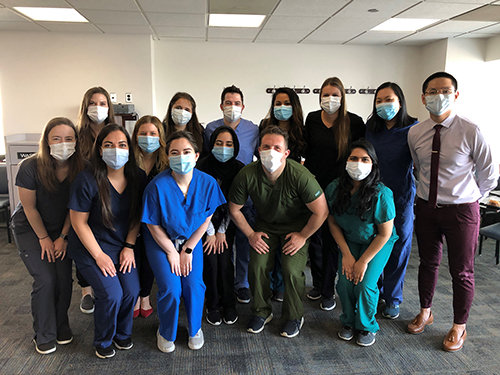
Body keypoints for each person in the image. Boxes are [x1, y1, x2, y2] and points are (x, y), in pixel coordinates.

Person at [407, 72, 497, 352]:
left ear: (455, 95)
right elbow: (418, 168)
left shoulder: (471, 130)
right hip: (426, 208)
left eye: (445, 90)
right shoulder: (415, 132)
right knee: (427, 263)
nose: (438, 96)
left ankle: (460, 326)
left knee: (461, 271)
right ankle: (425, 311)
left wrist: (469, 197)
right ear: (423, 98)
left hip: (462, 211)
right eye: (432, 91)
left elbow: (490, 175)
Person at [229, 126, 328, 338]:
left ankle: (293, 316)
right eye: (266, 146)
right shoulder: (247, 174)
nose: (271, 151)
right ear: (258, 150)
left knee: (291, 269)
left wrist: (302, 236)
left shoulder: (300, 175)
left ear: (286, 153)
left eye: (277, 147)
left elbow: (321, 211)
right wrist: (250, 234)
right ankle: (261, 311)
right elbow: (234, 209)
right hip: (265, 227)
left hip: (297, 228)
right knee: (257, 265)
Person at [142, 131, 225, 353]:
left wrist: (188, 248)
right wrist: (171, 251)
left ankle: (194, 328)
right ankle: (166, 331)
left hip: (191, 240)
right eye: (175, 152)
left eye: (187, 152)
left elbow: (206, 217)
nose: (181, 156)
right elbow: (152, 224)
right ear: (167, 157)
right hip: (161, 241)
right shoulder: (157, 187)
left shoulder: (207, 183)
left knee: (194, 285)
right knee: (171, 288)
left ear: (196, 155)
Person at [68, 124, 144, 359]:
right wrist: (99, 256)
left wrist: (129, 246)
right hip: (90, 247)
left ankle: (122, 334)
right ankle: (103, 339)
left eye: (122, 145)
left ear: (129, 150)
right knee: (111, 295)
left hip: (121, 245)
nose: (115, 150)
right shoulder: (87, 179)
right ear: (100, 150)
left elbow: (136, 217)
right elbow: (78, 222)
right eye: (108, 145)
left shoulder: (137, 177)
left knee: (131, 292)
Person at [11, 117, 85, 355]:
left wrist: (63, 237)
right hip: (31, 228)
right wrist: (44, 239)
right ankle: (43, 333)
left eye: (69, 139)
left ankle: (61, 326)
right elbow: (29, 208)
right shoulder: (30, 167)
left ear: (76, 141)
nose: (63, 144)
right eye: (56, 139)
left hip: (62, 228)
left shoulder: (81, 167)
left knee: (63, 280)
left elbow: (75, 208)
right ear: (46, 141)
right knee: (45, 279)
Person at [326, 139, 398, 347]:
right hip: (349, 241)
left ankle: (367, 325)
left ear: (373, 164)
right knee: (345, 283)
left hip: (377, 243)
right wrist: (347, 254)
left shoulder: (381, 194)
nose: (358, 163)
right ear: (346, 162)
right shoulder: (335, 188)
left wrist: (363, 261)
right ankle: (348, 322)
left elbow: (384, 234)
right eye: (353, 158)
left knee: (365, 285)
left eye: (365, 159)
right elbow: (332, 221)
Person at [304, 77, 365, 311]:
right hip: (314, 189)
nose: (330, 100)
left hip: (341, 190)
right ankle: (318, 284)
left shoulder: (354, 122)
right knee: (315, 241)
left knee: (332, 241)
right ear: (319, 97)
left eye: (335, 95)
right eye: (326, 95)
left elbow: (360, 156)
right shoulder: (311, 119)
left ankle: (329, 290)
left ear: (343, 98)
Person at [365, 82, 418, 319]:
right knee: (374, 245)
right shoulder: (370, 129)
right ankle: (372, 292)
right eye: (379, 100)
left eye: (389, 99)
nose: (384, 104)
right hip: (372, 196)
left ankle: (392, 298)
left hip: (401, 196)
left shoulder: (413, 129)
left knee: (398, 248)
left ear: (400, 101)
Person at [204, 85, 259, 305]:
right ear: (221, 105)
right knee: (222, 247)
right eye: (228, 103)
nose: (232, 107)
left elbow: (260, 157)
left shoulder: (253, 130)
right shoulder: (210, 128)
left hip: (244, 196)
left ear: (243, 106)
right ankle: (218, 286)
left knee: (244, 243)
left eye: (237, 103)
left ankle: (242, 284)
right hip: (218, 197)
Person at [259, 87, 307, 302]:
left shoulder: (303, 131)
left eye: (286, 103)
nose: (281, 108)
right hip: (269, 191)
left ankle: (282, 284)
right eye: (277, 103)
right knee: (270, 241)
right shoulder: (264, 127)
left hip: (295, 195)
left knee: (288, 244)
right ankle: (270, 285)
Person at [197, 126, 244, 326]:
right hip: (203, 224)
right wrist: (210, 232)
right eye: (218, 143)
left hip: (227, 222)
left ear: (235, 147)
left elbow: (235, 204)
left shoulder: (239, 169)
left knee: (225, 262)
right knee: (210, 261)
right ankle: (212, 304)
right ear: (211, 144)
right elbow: (198, 204)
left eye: (229, 144)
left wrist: (221, 231)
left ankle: (229, 304)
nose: (223, 148)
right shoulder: (201, 167)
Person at [76, 86, 116, 314]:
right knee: (82, 238)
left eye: (102, 103)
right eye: (93, 103)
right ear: (85, 106)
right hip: (82, 194)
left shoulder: (114, 131)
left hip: (107, 193)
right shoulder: (78, 134)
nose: (98, 108)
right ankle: (86, 291)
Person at [130, 115, 169, 318]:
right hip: (130, 219)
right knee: (133, 255)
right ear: (135, 136)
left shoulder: (167, 163)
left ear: (160, 137)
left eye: (153, 134)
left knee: (148, 257)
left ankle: (144, 295)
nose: (148, 137)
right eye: (143, 133)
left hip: (156, 221)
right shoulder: (127, 161)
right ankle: (134, 294)